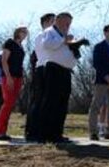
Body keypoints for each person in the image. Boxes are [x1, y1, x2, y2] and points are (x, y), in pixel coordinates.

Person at [39, 12, 80, 144]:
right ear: (57, 20)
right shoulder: (50, 32)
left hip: (66, 71)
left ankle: (57, 133)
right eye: (66, 23)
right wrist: (64, 40)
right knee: (51, 102)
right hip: (53, 69)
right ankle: (46, 134)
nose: (68, 26)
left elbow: (72, 55)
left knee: (63, 103)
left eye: (70, 24)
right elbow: (47, 45)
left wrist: (75, 46)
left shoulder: (66, 36)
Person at [0, 26, 28, 140]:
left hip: (18, 77)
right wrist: (8, 77)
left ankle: (2, 131)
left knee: (11, 104)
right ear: (17, 32)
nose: (25, 34)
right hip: (8, 77)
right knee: (7, 103)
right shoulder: (10, 43)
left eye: (26, 33)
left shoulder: (21, 47)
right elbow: (4, 61)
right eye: (23, 32)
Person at [88, 23, 109, 140]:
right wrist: (106, 76)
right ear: (105, 32)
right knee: (96, 106)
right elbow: (96, 64)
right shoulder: (99, 47)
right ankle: (93, 132)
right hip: (102, 81)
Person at [25, 13, 55, 142]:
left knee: (49, 103)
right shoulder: (42, 36)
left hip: (51, 71)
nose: (55, 24)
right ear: (46, 22)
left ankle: (47, 131)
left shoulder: (53, 36)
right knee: (38, 102)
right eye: (53, 21)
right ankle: (33, 132)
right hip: (42, 70)